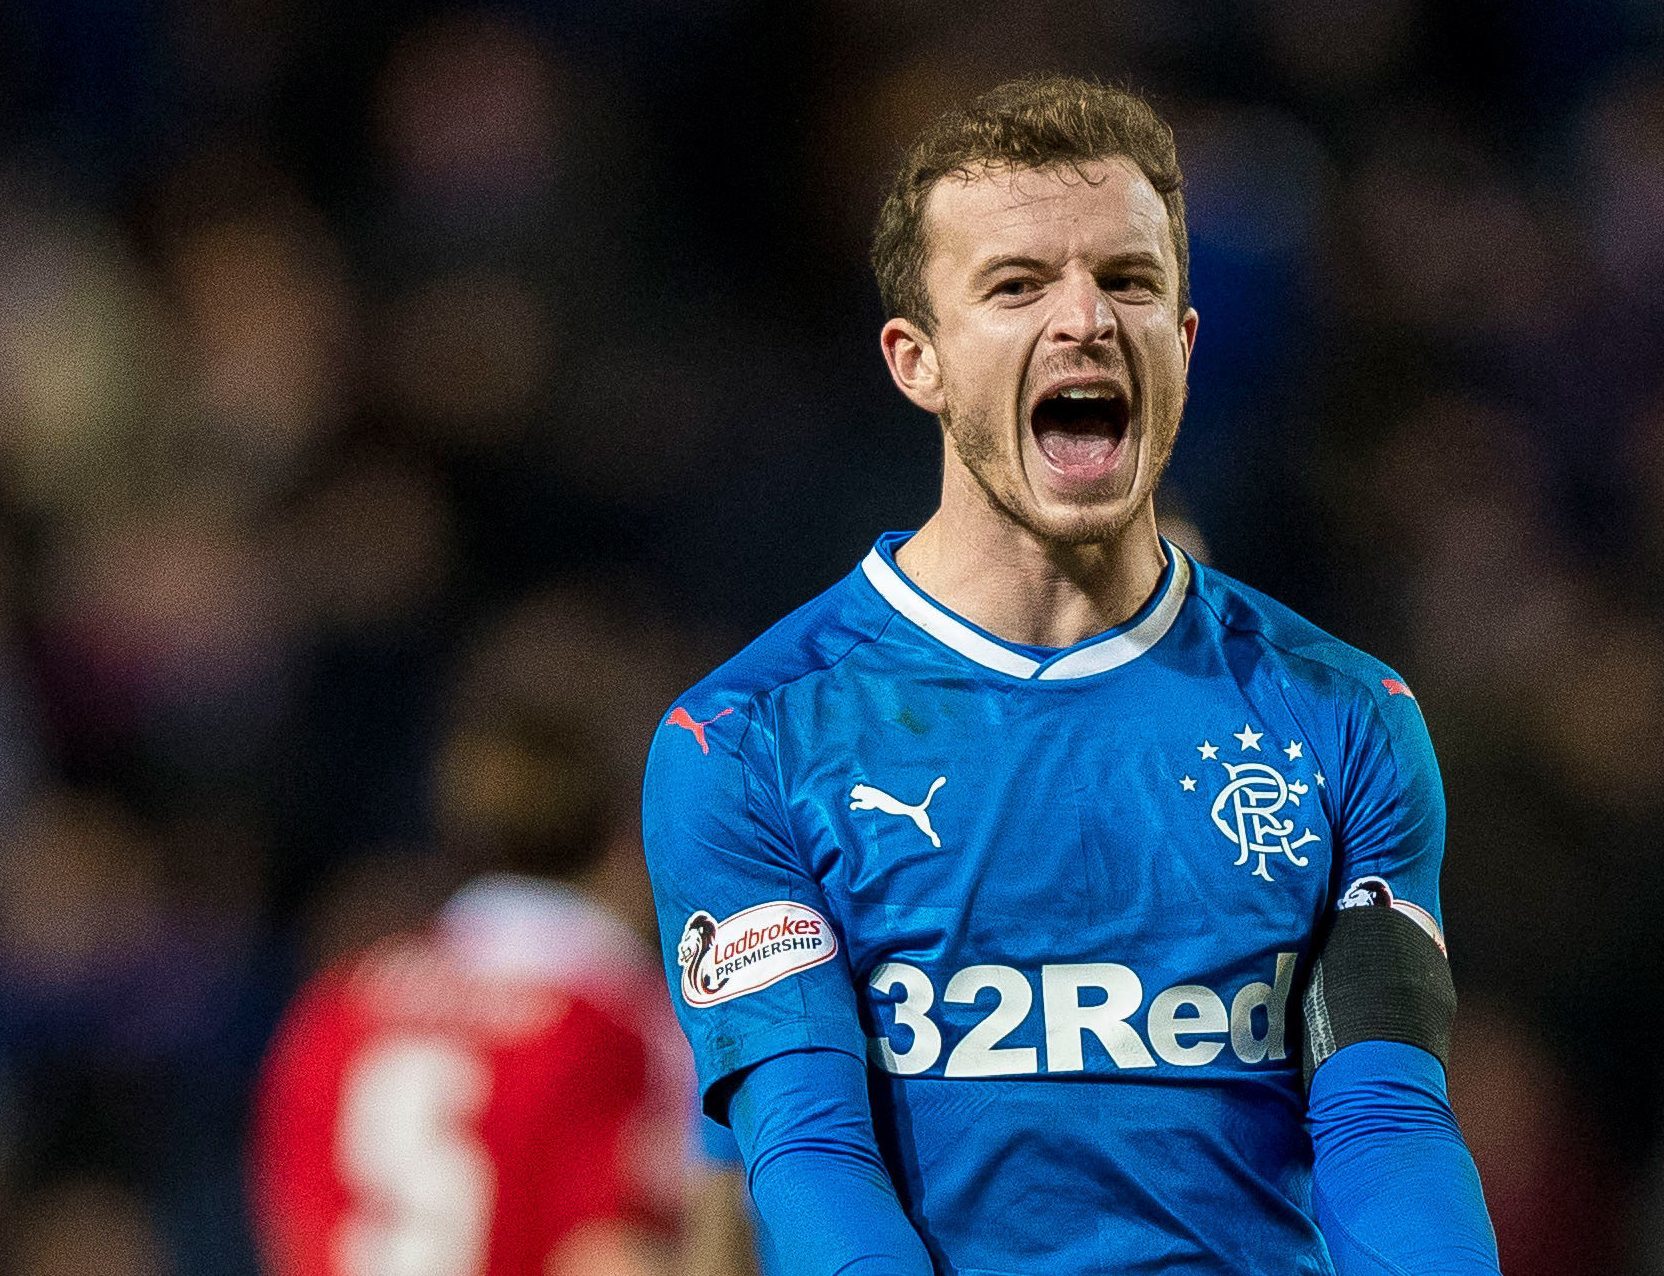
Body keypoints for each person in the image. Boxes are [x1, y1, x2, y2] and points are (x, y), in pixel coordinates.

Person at [643, 76, 1502, 1275]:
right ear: (917, 360)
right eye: (1016, 285)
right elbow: (810, 1151)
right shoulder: (747, 738)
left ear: (1185, 342)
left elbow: (1383, 1122)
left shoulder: (1344, 716)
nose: (1086, 319)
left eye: (1130, 280)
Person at [252, 714, 758, 1276]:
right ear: (623, 844)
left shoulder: (338, 1005)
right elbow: (609, 1254)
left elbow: (294, 1227)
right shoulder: (619, 1021)